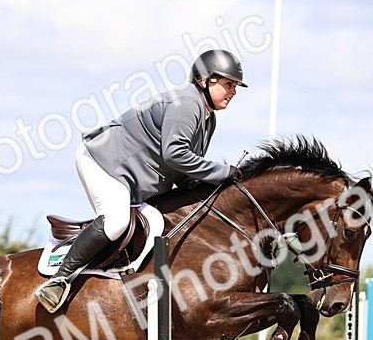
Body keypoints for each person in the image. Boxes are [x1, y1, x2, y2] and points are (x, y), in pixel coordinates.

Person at [35, 49, 248, 312]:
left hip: (133, 175)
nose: (233, 92)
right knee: (116, 221)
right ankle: (59, 280)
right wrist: (222, 172)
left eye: (236, 86)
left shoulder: (208, 118)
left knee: (161, 220)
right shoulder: (187, 102)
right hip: (104, 161)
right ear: (204, 80)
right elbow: (175, 154)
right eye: (228, 84)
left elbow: (183, 172)